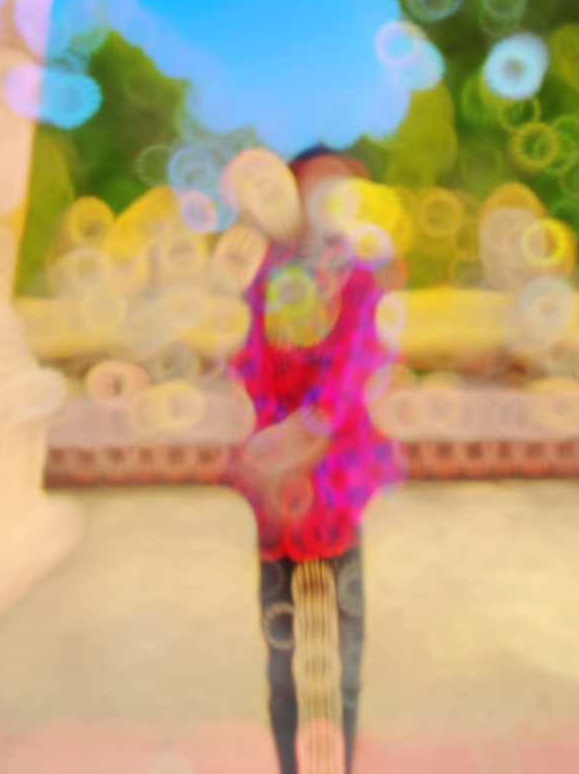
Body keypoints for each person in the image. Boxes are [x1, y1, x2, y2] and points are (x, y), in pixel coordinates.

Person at [226, 146, 404, 774]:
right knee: (282, 653)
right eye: (315, 185)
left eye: (341, 187)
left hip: (337, 485)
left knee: (343, 656)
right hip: (276, 494)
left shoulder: (361, 279)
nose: (329, 198)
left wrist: (311, 429)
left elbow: (359, 364)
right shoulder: (264, 281)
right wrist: (270, 441)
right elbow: (247, 361)